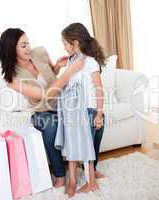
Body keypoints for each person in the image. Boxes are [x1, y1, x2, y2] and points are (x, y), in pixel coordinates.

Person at [0, 28, 84, 187]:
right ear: (11, 49)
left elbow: (50, 73)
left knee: (90, 118)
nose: (29, 48)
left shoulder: (40, 52)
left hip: (62, 103)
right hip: (42, 111)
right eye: (23, 45)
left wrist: (58, 67)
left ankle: (90, 166)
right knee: (51, 126)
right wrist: (69, 72)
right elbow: (46, 95)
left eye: (28, 43)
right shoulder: (12, 79)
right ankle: (59, 174)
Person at [54, 23, 105, 197]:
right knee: (74, 146)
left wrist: (99, 113)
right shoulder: (71, 61)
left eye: (65, 43)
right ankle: (74, 181)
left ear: (75, 43)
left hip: (89, 111)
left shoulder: (89, 62)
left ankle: (91, 183)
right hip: (74, 112)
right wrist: (59, 68)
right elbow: (65, 83)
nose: (63, 46)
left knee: (86, 148)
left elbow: (98, 88)